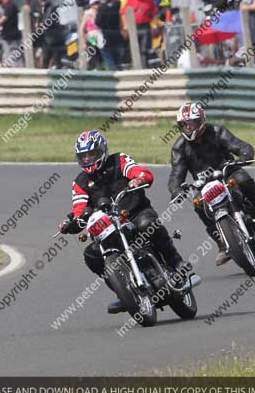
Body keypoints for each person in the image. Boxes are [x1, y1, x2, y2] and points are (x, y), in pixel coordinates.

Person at [58, 130, 192, 313]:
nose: (88, 159)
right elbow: (79, 208)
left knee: (148, 225)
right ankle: (123, 292)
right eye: (84, 156)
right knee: (92, 254)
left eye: (92, 154)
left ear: (102, 151)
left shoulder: (119, 160)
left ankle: (176, 261)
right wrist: (71, 222)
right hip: (107, 225)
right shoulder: (80, 182)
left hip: (135, 212)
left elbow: (139, 172)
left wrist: (139, 179)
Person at [168, 103, 255, 266]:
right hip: (205, 185)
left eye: (192, 123)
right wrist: (176, 190)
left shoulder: (217, 131)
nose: (189, 127)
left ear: (202, 121)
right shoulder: (179, 147)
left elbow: (239, 145)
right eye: (184, 124)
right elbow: (176, 173)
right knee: (198, 204)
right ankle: (223, 245)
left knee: (242, 179)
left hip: (227, 172)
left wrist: (245, 153)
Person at [122, 0, 157, 68]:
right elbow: (123, 14)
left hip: (145, 26)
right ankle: (136, 66)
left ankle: (144, 66)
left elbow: (154, 13)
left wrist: (155, 25)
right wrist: (125, 25)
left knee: (144, 48)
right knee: (134, 47)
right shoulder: (130, 1)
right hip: (134, 27)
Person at [95, 0, 123, 70]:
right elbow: (118, 0)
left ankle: (112, 71)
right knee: (116, 53)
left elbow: (98, 22)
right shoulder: (116, 5)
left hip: (106, 33)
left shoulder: (101, 8)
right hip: (116, 32)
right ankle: (119, 68)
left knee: (107, 53)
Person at [37, 0, 65, 68]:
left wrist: (40, 27)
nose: (43, 0)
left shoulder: (51, 7)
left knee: (54, 60)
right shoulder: (42, 8)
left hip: (53, 38)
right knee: (46, 59)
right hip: (48, 38)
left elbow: (47, 22)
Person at [0, 0, 24, 67]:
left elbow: (3, 19)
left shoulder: (11, 7)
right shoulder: (7, 7)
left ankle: (18, 73)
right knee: (7, 57)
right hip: (8, 37)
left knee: (14, 57)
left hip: (12, 38)